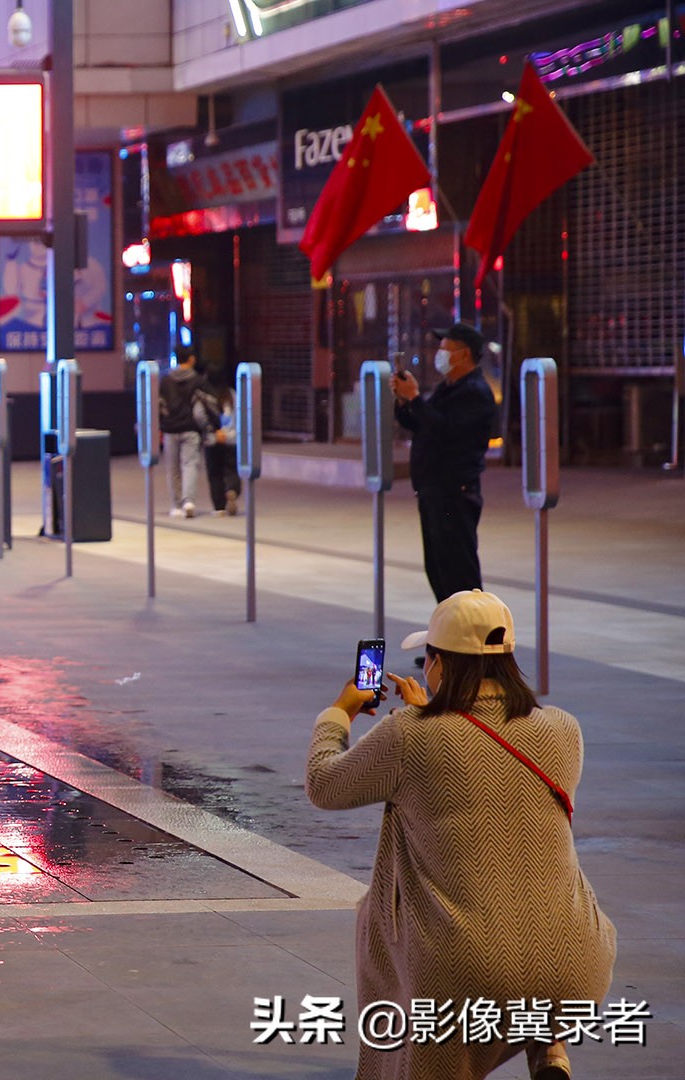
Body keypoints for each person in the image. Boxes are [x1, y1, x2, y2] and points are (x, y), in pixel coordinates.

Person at [307, 589, 615, 1080]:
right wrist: (429, 712)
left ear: (439, 665)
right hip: (577, 966)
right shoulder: (563, 729)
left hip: (466, 974)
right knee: (524, 890)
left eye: (426, 656)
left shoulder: (409, 734)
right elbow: (481, 766)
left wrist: (339, 712)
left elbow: (324, 784)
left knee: (403, 925)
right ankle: (549, 1048)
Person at [395, 322, 499, 603]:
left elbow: (444, 429)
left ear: (464, 354)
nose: (438, 354)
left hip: (455, 494)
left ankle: (472, 636)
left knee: (459, 575)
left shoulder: (475, 392)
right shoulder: (448, 387)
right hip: (433, 493)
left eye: (445, 348)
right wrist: (405, 402)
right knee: (438, 570)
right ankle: (450, 636)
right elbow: (420, 423)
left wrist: (415, 398)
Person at [157, 344, 214, 518]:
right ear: (191, 359)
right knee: (190, 465)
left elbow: (160, 404)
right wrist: (209, 428)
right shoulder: (198, 380)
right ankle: (188, 501)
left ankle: (176, 505)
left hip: (170, 429)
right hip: (191, 429)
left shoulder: (166, 380)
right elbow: (206, 406)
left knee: (172, 468)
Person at [204, 385, 242, 516]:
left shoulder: (205, 394)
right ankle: (232, 489)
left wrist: (212, 433)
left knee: (215, 474)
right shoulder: (232, 394)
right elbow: (238, 415)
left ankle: (219, 507)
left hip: (212, 440)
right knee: (232, 469)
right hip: (231, 439)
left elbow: (200, 415)